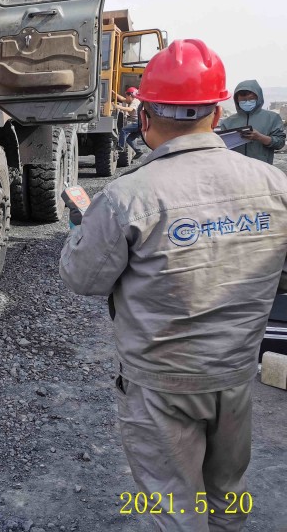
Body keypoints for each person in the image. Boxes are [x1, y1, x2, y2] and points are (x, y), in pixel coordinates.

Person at [59, 39, 287, 532]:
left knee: (172, 505)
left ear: (144, 117)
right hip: (236, 374)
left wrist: (83, 230)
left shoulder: (128, 196)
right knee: (229, 492)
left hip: (160, 385)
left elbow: (82, 278)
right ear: (218, 112)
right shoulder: (276, 187)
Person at [219, 80, 285, 164]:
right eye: (243, 100)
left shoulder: (272, 118)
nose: (247, 102)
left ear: (258, 98)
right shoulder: (227, 122)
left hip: (262, 168)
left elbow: (280, 143)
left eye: (251, 99)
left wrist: (260, 137)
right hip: (236, 168)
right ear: (237, 100)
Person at [113, 86, 144, 159]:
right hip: (140, 124)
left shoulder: (135, 102)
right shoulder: (132, 100)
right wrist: (114, 93)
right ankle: (138, 151)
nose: (125, 98)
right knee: (129, 139)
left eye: (126, 96)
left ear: (130, 95)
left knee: (123, 130)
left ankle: (120, 147)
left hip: (137, 123)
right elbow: (123, 99)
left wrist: (118, 107)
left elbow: (130, 109)